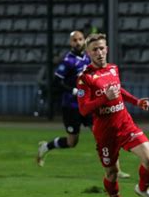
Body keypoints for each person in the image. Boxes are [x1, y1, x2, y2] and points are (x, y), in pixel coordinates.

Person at [76, 33, 149, 197]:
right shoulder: (85, 78)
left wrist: (136, 101)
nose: (99, 52)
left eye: (101, 48)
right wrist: (103, 99)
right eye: (94, 50)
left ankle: (143, 189)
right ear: (88, 54)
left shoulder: (113, 68)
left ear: (106, 49)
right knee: (112, 173)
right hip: (106, 133)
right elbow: (83, 110)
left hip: (125, 125)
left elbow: (118, 89)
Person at [36, 30, 130, 179]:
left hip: (90, 105)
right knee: (72, 142)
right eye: (75, 40)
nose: (78, 42)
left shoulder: (89, 57)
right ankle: (46, 146)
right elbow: (56, 83)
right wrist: (73, 90)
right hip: (72, 107)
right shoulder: (68, 61)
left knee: (103, 135)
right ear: (70, 43)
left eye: (80, 39)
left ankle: (116, 171)